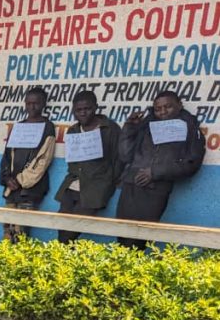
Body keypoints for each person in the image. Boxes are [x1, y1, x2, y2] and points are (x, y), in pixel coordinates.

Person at [116, 91, 206, 249]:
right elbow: (125, 155)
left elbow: (191, 164)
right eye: (158, 109)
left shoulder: (189, 128)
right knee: (122, 237)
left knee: (138, 240)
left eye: (168, 107)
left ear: (180, 105)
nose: (162, 112)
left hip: (155, 190)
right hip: (130, 186)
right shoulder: (146, 125)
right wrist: (129, 127)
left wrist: (155, 172)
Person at [55, 91, 123, 243]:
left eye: (87, 109)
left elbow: (118, 159)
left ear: (96, 108)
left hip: (95, 188)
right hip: (71, 185)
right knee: (61, 227)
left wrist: (109, 182)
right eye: (78, 110)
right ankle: (65, 263)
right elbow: (72, 159)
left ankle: (65, 263)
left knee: (71, 232)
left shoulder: (110, 129)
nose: (83, 113)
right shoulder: (73, 130)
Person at [0, 87, 56, 242]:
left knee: (20, 232)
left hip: (30, 189)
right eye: (29, 103)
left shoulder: (47, 126)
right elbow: (6, 155)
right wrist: (6, 178)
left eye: (36, 103)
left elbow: (44, 159)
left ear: (43, 104)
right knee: (7, 229)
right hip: (11, 189)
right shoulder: (19, 126)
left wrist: (20, 180)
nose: (32, 107)